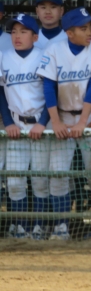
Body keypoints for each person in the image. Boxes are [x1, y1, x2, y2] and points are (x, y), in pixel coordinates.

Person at [38, 7, 91, 240]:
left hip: (88, 117)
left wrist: (83, 122)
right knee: (58, 173)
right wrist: (56, 122)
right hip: (61, 116)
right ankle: (61, 227)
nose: (89, 32)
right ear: (69, 33)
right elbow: (48, 87)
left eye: (90, 27)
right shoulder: (54, 50)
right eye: (83, 28)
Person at [0, 14, 50, 239]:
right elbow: (1, 93)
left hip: (40, 125)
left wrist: (43, 122)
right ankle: (19, 226)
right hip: (16, 126)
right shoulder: (3, 57)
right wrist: (8, 122)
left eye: (23, 31)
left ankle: (39, 226)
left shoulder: (44, 56)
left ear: (35, 37)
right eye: (13, 32)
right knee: (14, 181)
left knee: (40, 180)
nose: (17, 36)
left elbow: (52, 93)